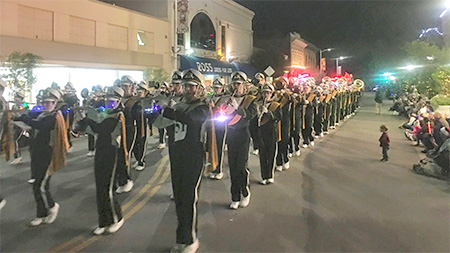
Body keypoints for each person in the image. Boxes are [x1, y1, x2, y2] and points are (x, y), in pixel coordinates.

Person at [162, 68, 209, 253]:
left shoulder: (203, 107)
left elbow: (191, 120)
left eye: (191, 86)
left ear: (199, 88)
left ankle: (190, 239)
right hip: (176, 155)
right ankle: (181, 238)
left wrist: (168, 110)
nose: (187, 90)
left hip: (193, 156)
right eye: (185, 86)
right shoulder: (178, 105)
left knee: (189, 199)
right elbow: (163, 124)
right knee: (179, 198)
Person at [17, 88, 69, 226]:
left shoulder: (54, 117)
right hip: (37, 153)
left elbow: (40, 125)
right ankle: (41, 213)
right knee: (36, 185)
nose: (46, 105)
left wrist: (25, 118)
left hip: (48, 156)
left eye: (49, 102)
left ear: (55, 103)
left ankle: (52, 207)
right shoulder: (43, 114)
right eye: (44, 102)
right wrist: (17, 116)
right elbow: (31, 117)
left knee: (41, 185)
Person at [82, 86, 126, 235]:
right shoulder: (104, 113)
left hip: (112, 153)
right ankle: (103, 221)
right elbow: (94, 129)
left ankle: (116, 218)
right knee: (100, 187)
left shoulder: (118, 115)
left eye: (112, 101)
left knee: (108, 188)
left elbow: (104, 129)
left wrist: (90, 120)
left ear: (119, 101)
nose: (109, 104)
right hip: (101, 150)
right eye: (107, 101)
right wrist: (83, 123)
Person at [224, 71, 257, 209]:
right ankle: (235, 196)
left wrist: (238, 110)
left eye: (239, 84)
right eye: (235, 84)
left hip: (243, 135)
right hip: (231, 134)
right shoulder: (228, 99)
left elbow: (252, 114)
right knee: (232, 166)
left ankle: (245, 192)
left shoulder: (250, 100)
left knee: (241, 166)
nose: (237, 87)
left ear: (244, 85)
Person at [256, 84, 280, 185]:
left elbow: (279, 117)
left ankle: (269, 175)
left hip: (271, 132)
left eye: (268, 93)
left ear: (271, 93)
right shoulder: (257, 104)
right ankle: (263, 175)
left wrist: (269, 113)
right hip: (261, 132)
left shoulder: (275, 105)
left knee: (270, 154)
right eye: (264, 92)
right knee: (262, 155)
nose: (266, 95)